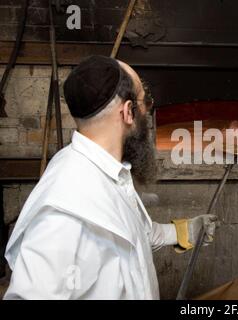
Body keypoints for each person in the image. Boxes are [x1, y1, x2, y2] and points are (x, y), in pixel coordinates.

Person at [3, 56, 217, 299]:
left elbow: (135, 235)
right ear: (128, 112)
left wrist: (187, 231)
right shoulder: (64, 211)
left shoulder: (109, 173)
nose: (146, 110)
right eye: (144, 101)